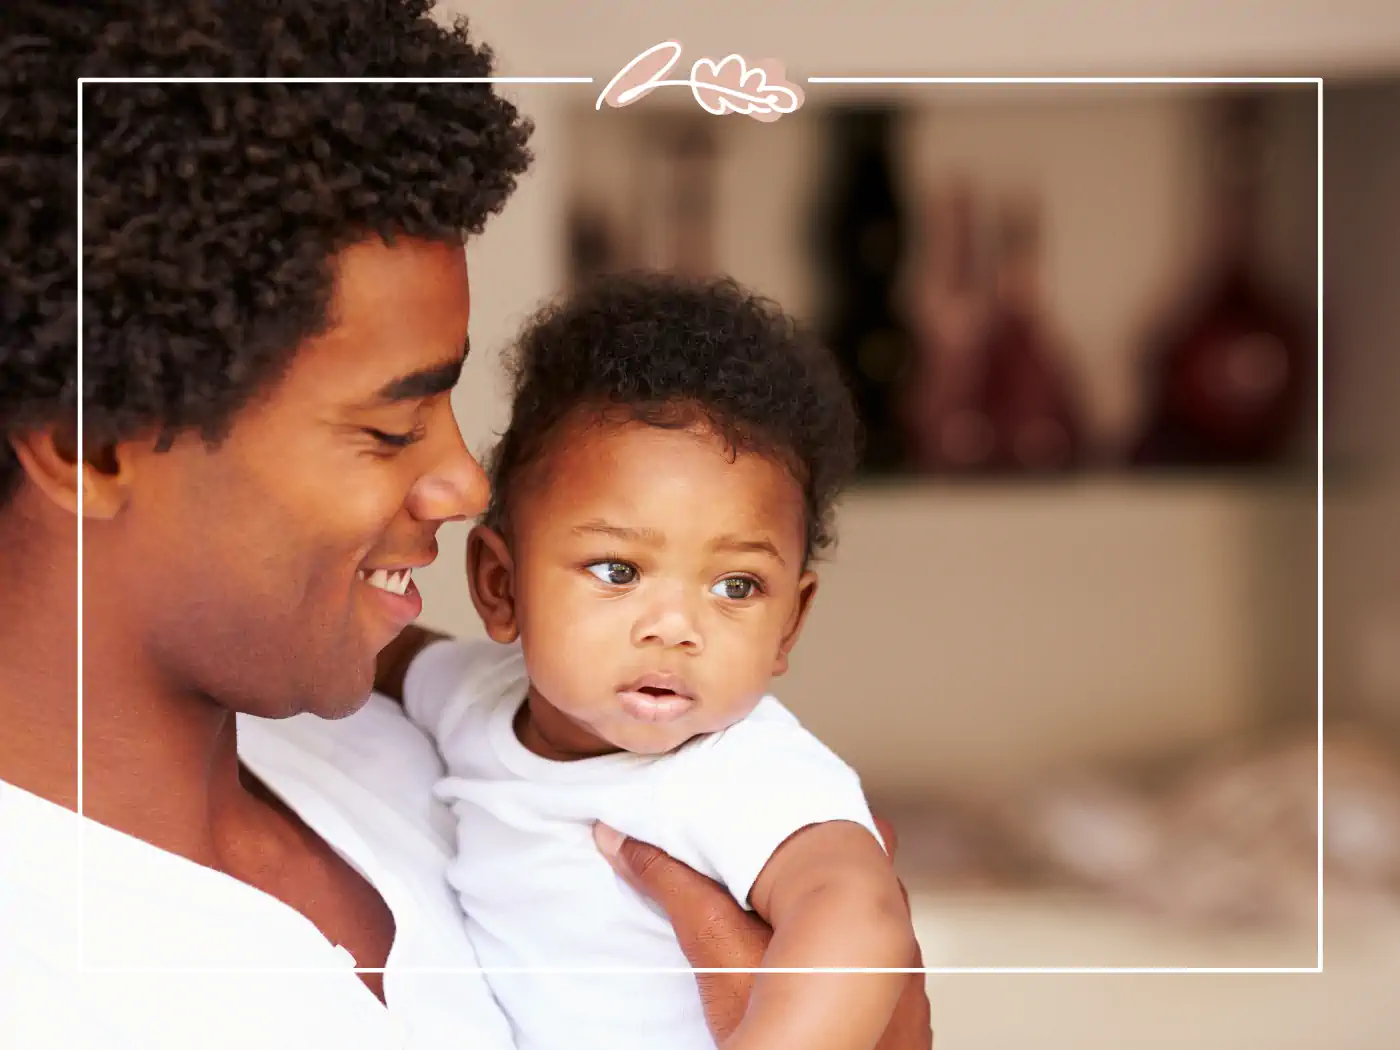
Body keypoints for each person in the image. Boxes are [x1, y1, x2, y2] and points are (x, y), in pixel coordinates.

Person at [0, 2, 933, 1049]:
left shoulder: (396, 745)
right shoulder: (40, 977)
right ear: (93, 447)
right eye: (392, 426)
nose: (464, 482)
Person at [377, 272, 915, 1050]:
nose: (676, 627)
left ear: (789, 626)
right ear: (501, 587)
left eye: (736, 586)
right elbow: (380, 651)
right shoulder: (473, 698)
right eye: (618, 571)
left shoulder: (741, 768)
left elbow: (858, 917)